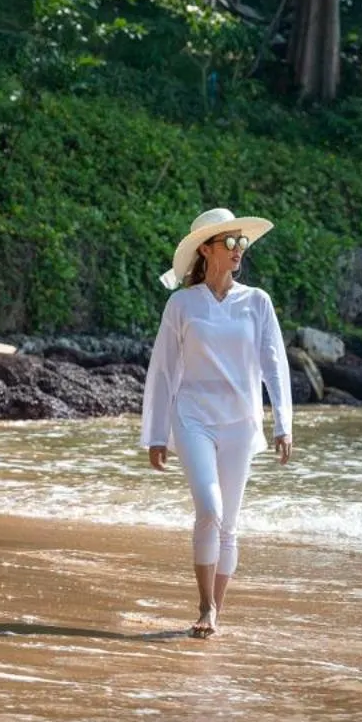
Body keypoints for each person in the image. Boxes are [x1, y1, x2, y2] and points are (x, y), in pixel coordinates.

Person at [140, 207, 294, 639]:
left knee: (229, 523)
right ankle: (204, 603)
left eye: (241, 241)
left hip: (240, 422)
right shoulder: (182, 303)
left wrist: (283, 423)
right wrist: (156, 434)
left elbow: (274, 364)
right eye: (229, 242)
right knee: (209, 510)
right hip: (192, 418)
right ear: (205, 250)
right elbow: (163, 369)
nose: (238, 249)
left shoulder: (257, 301)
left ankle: (214, 613)